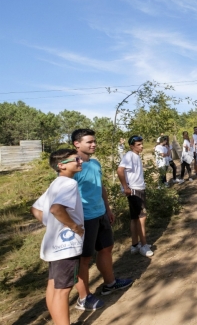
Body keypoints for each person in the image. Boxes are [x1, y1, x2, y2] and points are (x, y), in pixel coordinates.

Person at [70, 129, 133, 311]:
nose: (94, 144)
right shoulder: (72, 166)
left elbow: (100, 187)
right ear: (77, 144)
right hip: (84, 219)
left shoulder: (95, 163)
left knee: (106, 248)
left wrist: (107, 209)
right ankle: (83, 298)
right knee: (84, 258)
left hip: (100, 214)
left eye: (94, 141)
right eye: (89, 142)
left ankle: (110, 283)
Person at [31, 149, 84, 325]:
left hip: (52, 245)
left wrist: (51, 224)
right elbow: (56, 209)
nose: (80, 161)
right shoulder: (69, 184)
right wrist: (74, 226)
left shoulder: (55, 184)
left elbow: (36, 209)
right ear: (61, 165)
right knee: (63, 290)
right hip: (66, 247)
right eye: (76, 159)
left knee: (53, 287)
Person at [117, 136, 154, 257]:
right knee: (142, 217)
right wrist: (126, 187)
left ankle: (135, 245)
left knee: (134, 218)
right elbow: (120, 170)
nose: (141, 146)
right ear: (132, 146)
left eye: (142, 144)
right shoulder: (129, 155)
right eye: (138, 144)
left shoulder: (135, 155)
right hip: (135, 190)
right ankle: (144, 245)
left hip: (137, 188)